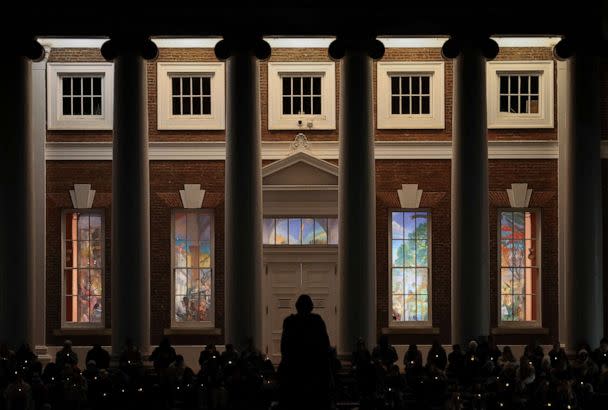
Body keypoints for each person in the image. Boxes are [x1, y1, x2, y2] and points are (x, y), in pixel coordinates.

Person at [279, 294, 331, 410]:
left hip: (294, 371)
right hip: (314, 371)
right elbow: (325, 345)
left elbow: (284, 347)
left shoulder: (290, 322)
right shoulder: (317, 321)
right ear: (311, 307)